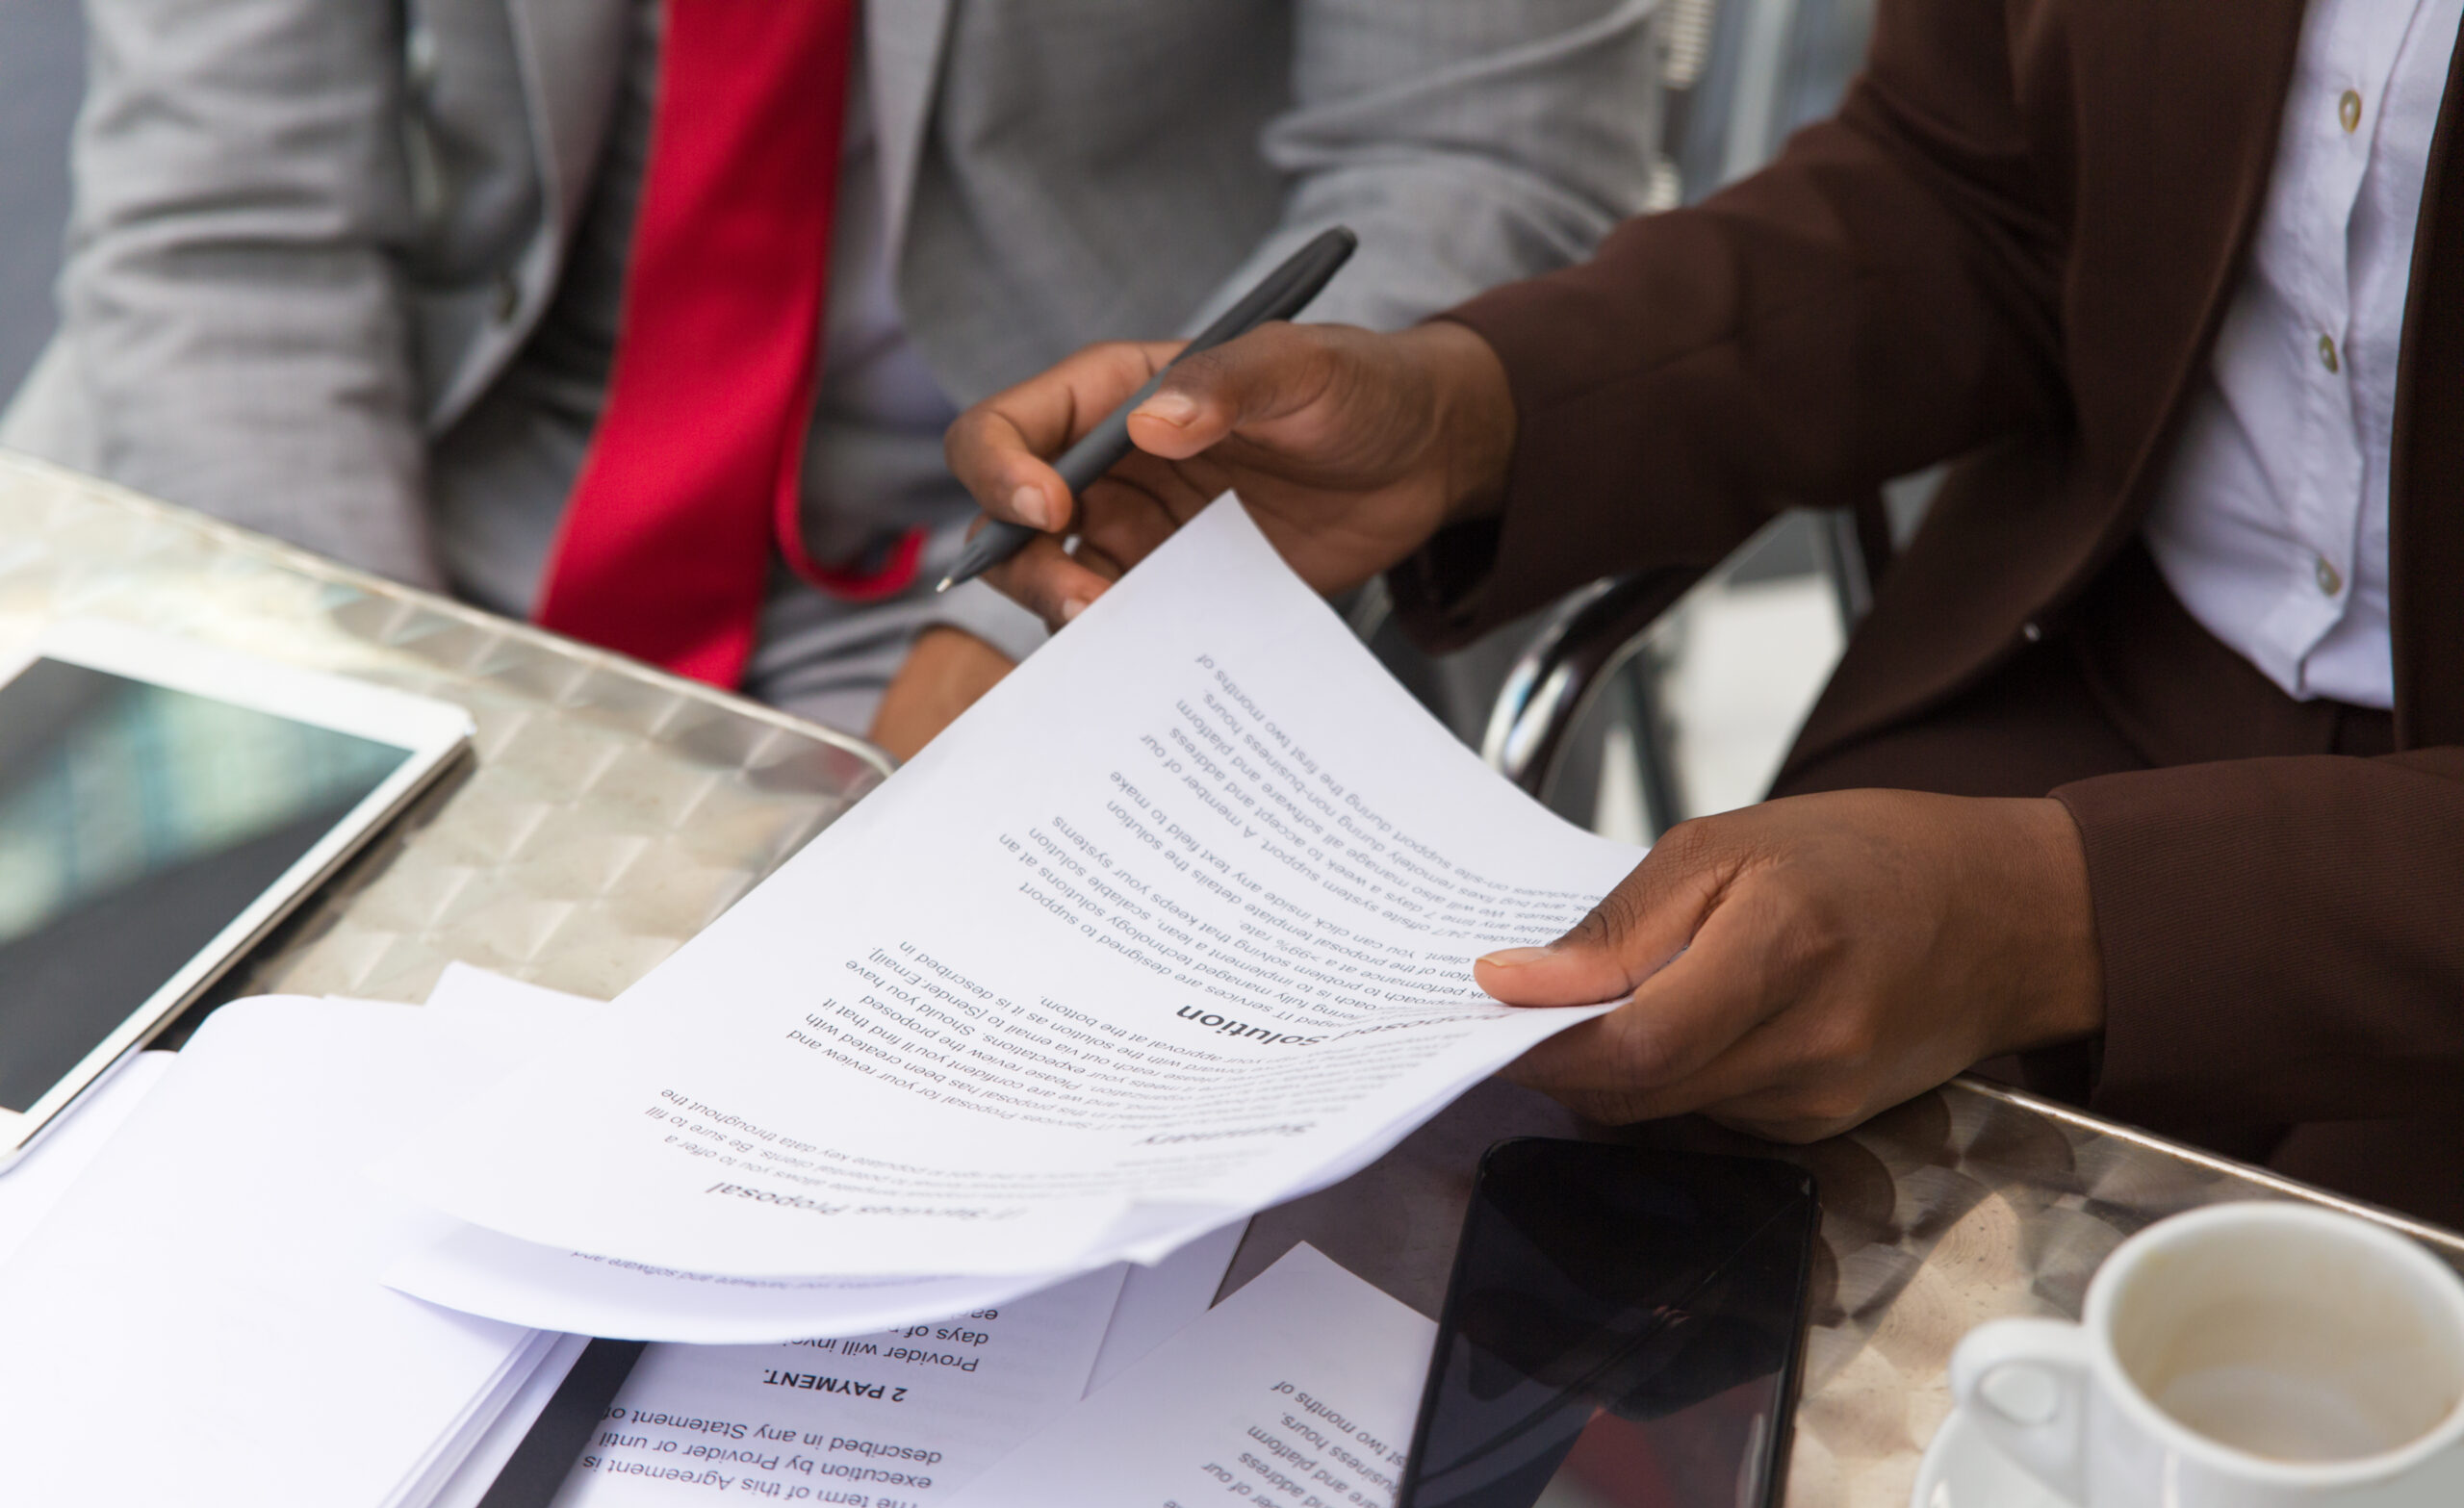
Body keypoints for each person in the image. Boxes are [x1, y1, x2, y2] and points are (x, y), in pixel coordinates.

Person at [949, 0, 2464, 1226]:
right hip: (2061, 704)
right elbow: (1978, 192)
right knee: (1530, 1277)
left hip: (2347, 935)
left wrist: (2050, 919)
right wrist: (1473, 412)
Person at [0, 0, 1662, 755]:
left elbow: (1474, 165)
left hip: (1057, 509)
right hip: (429, 429)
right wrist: (376, 702)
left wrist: (1030, 603)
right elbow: (226, 215)